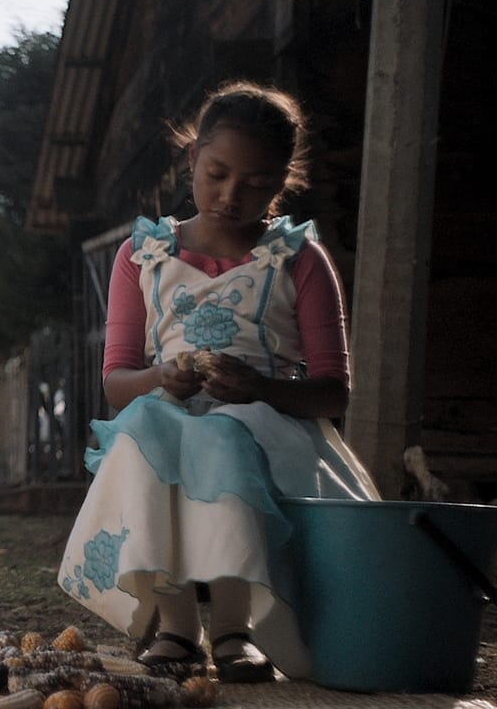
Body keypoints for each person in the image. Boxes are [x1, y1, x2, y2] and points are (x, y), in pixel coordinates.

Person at [56, 81, 381, 683]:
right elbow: (117, 383)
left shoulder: (298, 260)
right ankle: (179, 628)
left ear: (282, 181)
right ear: (193, 158)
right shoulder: (143, 256)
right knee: (146, 434)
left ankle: (236, 627)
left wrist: (262, 389)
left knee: (226, 436)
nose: (232, 196)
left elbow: (334, 390)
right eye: (217, 174)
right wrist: (162, 377)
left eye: (256, 184)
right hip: (169, 418)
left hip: (266, 427)